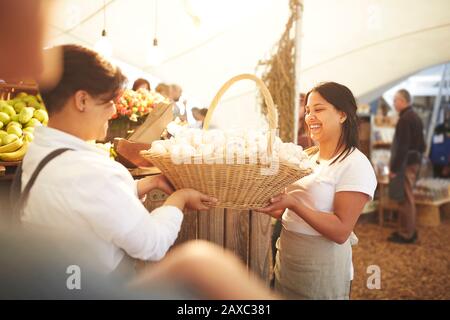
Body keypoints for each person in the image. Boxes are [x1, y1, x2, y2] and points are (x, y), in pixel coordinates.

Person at [16, 44, 217, 274]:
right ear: (82, 100)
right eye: (109, 101)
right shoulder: (92, 172)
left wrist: (145, 184)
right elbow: (151, 243)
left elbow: (87, 202)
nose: (113, 111)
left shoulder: (40, 149)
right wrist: (180, 199)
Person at [258, 82, 377, 300]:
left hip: (321, 266)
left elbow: (341, 230)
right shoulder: (307, 156)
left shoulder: (355, 164)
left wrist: (293, 204)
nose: (310, 116)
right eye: (307, 111)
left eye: (319, 109)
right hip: (289, 259)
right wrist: (276, 206)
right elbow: (293, 209)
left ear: (342, 115)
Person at [387, 89, 425, 244]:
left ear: (403, 101)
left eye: (395, 100)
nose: (394, 103)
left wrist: (394, 169)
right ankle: (407, 230)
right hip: (413, 161)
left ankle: (407, 234)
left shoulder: (405, 119)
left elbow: (402, 147)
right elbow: (423, 145)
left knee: (406, 198)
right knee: (408, 197)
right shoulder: (415, 117)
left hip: (405, 164)